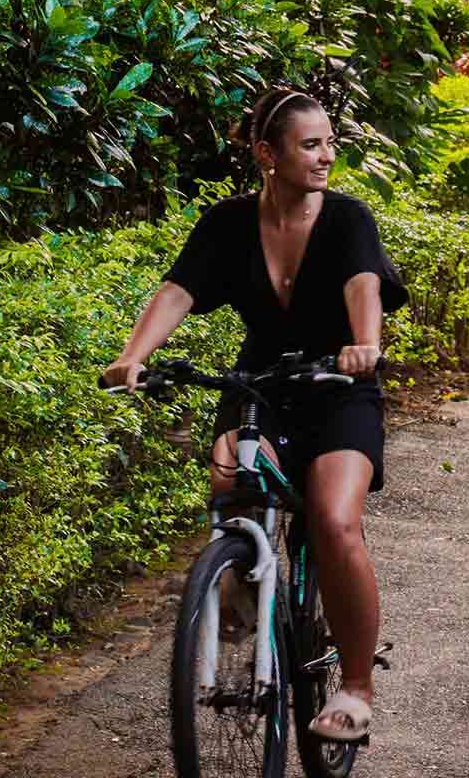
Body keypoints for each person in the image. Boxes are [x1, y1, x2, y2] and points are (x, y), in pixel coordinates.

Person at [100, 87, 405, 742]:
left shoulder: (348, 219)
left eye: (329, 142)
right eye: (310, 144)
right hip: (260, 383)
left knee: (332, 520)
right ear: (268, 154)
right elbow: (178, 290)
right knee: (230, 484)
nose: (327, 156)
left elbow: (363, 285)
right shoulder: (227, 224)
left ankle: (354, 688)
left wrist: (364, 345)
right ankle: (240, 574)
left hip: (338, 383)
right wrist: (132, 357)